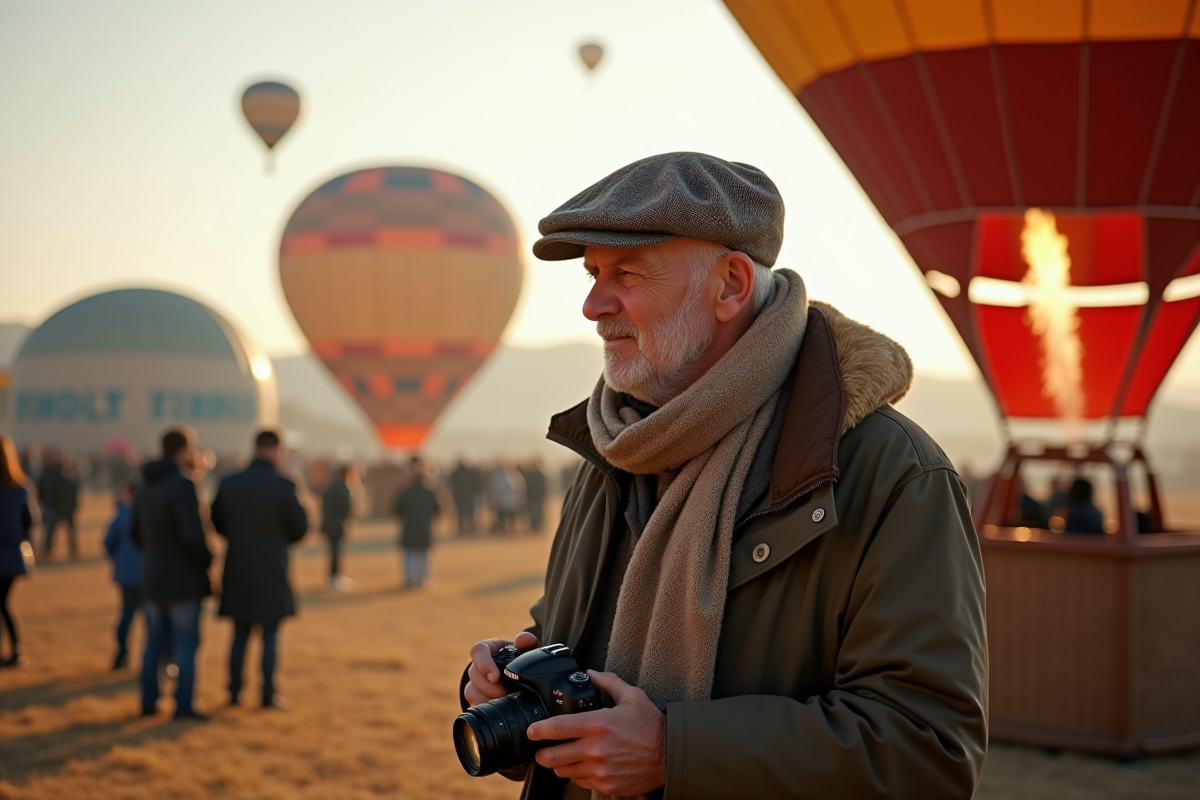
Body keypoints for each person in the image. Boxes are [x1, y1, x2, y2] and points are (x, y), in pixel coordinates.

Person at [463, 153, 987, 798]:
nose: (593, 305)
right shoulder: (614, 451)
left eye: (625, 273)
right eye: (592, 273)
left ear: (731, 286)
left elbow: (927, 748)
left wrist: (673, 754)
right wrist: (515, 680)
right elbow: (576, 639)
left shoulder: (891, 473)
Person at [211, 429, 308, 710]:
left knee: (239, 634)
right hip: (272, 568)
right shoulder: (285, 485)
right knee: (270, 636)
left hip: (238, 565)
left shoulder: (229, 482)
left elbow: (217, 523)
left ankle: (234, 692)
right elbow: (300, 528)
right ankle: (267, 693)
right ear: (277, 450)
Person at [133, 426, 213, 720]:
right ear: (184, 450)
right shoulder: (183, 484)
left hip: (153, 575)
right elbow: (193, 535)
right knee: (186, 643)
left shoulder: (143, 485)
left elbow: (136, 533)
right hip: (183, 579)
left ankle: (148, 700)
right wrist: (207, 559)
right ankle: (184, 704)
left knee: (153, 642)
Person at [0, 435, 36, 668]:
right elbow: (30, 521)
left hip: (9, 554)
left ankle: (15, 650)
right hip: (13, 556)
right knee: (3, 604)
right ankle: (15, 649)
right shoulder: (20, 487)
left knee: (2, 604)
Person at [104, 481, 143, 670]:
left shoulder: (122, 514)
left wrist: (118, 559)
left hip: (126, 574)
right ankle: (159, 657)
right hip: (149, 574)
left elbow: (108, 541)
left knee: (126, 616)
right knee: (154, 620)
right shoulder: (151, 512)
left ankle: (121, 654)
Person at [393, 457, 441, 589]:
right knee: (425, 555)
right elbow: (439, 509)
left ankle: (409, 580)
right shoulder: (430, 491)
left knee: (409, 554)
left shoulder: (405, 491)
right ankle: (424, 581)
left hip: (409, 527)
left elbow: (396, 509)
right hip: (425, 527)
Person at [321, 464, 356, 591]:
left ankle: (333, 577)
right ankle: (335, 577)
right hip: (337, 525)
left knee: (333, 552)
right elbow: (347, 509)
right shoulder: (343, 489)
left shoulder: (330, 487)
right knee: (336, 552)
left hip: (328, 525)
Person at [487, 462, 524, 534]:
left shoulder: (517, 476)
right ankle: (502, 529)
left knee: (511, 518)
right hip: (501, 501)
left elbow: (521, 490)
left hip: (512, 502)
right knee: (502, 517)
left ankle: (511, 529)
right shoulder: (497, 477)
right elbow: (493, 489)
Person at [449, 458, 483, 535]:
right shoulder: (470, 472)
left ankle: (461, 528)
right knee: (470, 512)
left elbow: (451, 484)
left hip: (459, 496)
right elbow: (476, 484)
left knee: (460, 513)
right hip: (469, 495)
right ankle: (470, 528)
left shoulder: (455, 473)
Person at [520, 459, 548, 533]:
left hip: (538, 497)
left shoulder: (540, 475)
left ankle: (537, 526)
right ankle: (533, 526)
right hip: (531, 497)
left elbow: (543, 487)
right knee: (531, 512)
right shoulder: (528, 475)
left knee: (538, 512)